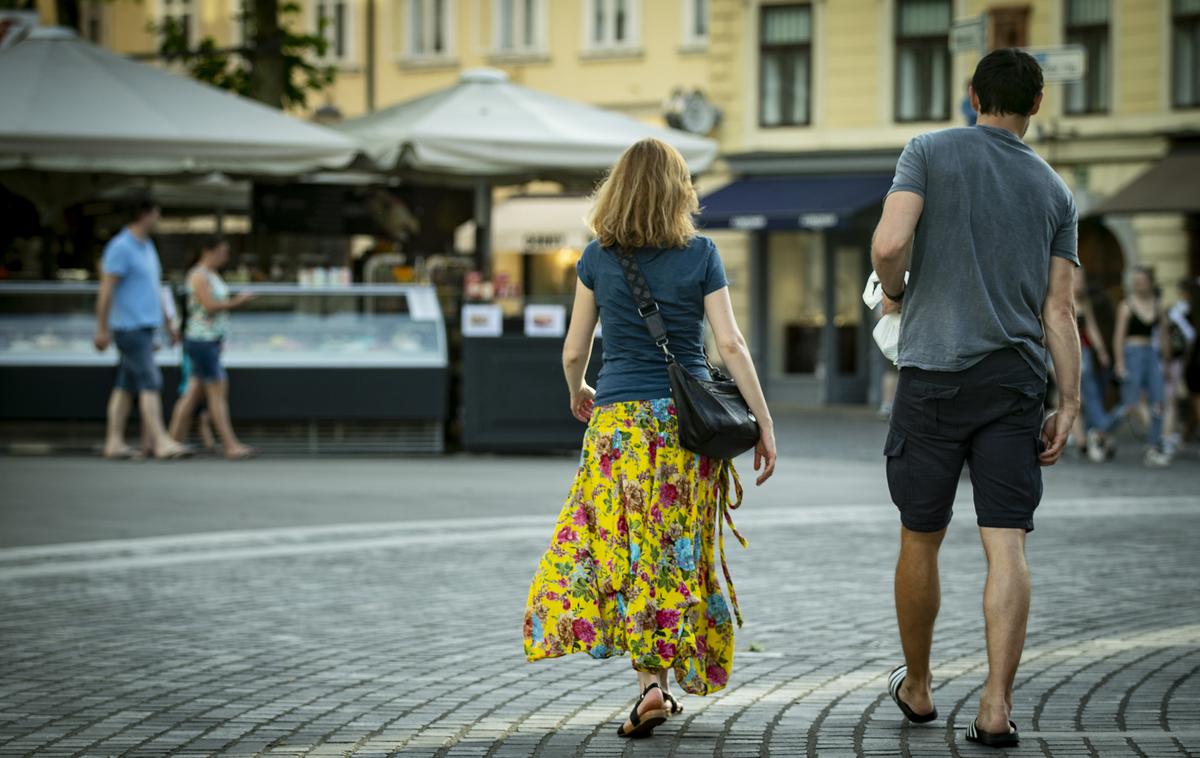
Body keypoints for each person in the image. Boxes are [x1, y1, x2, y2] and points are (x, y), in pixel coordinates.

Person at [522, 138, 776, 740]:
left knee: (619, 548)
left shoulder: (597, 257)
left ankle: (650, 687)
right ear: (679, 192)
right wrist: (764, 422)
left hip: (615, 428)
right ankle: (661, 679)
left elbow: (573, 349)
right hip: (683, 427)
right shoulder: (702, 254)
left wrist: (578, 389)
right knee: (673, 549)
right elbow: (732, 346)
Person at [871, 49, 1079, 749]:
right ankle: (995, 707)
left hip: (932, 374)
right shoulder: (1054, 189)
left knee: (920, 535)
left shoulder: (928, 150)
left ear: (972, 95)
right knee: (1007, 541)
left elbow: (888, 243)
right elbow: (1060, 312)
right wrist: (1070, 404)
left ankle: (921, 689)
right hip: (1015, 383)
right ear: (1036, 105)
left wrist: (896, 295)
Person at [94, 197, 190, 460]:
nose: (158, 219)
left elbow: (155, 288)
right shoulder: (121, 247)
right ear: (145, 214)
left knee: (125, 385)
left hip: (145, 325)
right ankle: (160, 441)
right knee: (150, 381)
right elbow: (106, 289)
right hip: (129, 326)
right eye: (157, 213)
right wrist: (102, 329)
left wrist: (168, 323)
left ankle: (113, 442)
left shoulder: (147, 246)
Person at [167, 235, 255, 459]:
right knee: (217, 392)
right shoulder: (198, 275)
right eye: (222, 252)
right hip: (202, 340)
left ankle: (172, 442)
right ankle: (230, 445)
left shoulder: (210, 275)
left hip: (209, 340)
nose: (225, 257)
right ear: (208, 250)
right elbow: (209, 305)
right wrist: (239, 301)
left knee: (192, 393)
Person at [1112, 266, 1172, 467]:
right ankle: (1102, 430)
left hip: (1151, 355)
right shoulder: (1126, 305)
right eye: (1135, 280)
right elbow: (1118, 338)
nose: (1138, 283)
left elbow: (1163, 336)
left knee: (1159, 402)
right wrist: (1119, 363)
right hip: (1132, 354)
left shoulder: (1158, 305)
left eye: (1141, 280)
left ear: (1149, 282)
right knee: (1130, 404)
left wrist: (1166, 362)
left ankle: (1153, 445)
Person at [1075, 270, 1115, 463]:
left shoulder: (1085, 302)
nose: (1080, 282)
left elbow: (1092, 328)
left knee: (1089, 397)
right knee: (1074, 399)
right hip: (1062, 354)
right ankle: (1083, 441)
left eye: (1082, 278)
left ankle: (1090, 439)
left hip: (1085, 355)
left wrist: (1101, 351)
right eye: (1077, 278)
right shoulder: (1057, 298)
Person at [1163, 277, 1197, 456]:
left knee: (1171, 398)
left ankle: (1170, 435)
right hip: (1183, 358)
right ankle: (1176, 434)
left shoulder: (1179, 310)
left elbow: (1188, 334)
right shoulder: (1184, 309)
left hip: (1178, 359)